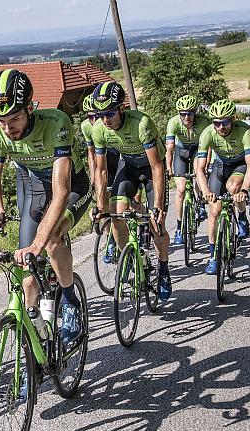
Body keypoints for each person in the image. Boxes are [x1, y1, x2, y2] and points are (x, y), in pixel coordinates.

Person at [0, 69, 92, 343]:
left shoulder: (55, 123)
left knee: (51, 241)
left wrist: (38, 244)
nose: (7, 127)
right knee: (27, 278)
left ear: (30, 108)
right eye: (0, 120)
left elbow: (61, 191)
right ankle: (33, 349)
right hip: (34, 185)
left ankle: (71, 301)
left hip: (72, 184)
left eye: (14, 118)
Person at [89, 81, 172, 301]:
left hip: (151, 168)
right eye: (100, 115)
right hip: (129, 168)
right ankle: (127, 258)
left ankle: (163, 269)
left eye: (109, 114)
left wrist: (157, 207)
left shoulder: (141, 124)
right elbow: (101, 170)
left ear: (121, 108)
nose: (105, 120)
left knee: (157, 225)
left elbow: (156, 167)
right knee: (115, 213)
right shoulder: (99, 129)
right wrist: (100, 206)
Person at [195, 99, 250, 275]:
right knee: (214, 212)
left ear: (233, 119)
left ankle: (242, 217)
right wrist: (205, 191)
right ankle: (214, 256)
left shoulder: (244, 130)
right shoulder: (207, 133)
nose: (221, 127)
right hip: (220, 166)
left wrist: (244, 190)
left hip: (239, 165)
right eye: (216, 123)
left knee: (233, 187)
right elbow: (199, 168)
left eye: (225, 122)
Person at [165, 94, 211, 245]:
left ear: (195, 112)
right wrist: (168, 168)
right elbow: (170, 148)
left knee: (199, 172)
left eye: (190, 113)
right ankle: (179, 227)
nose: (187, 117)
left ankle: (201, 203)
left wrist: (206, 166)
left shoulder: (204, 122)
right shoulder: (173, 123)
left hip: (199, 150)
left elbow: (209, 147)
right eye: (183, 114)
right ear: (179, 114)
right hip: (181, 151)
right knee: (180, 189)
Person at [81, 95, 121, 262]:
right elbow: (91, 155)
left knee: (126, 199)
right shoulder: (87, 127)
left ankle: (138, 228)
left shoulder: (108, 124)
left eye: (96, 115)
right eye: (90, 116)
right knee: (103, 202)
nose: (94, 119)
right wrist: (93, 178)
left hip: (119, 158)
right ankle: (110, 239)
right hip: (103, 161)